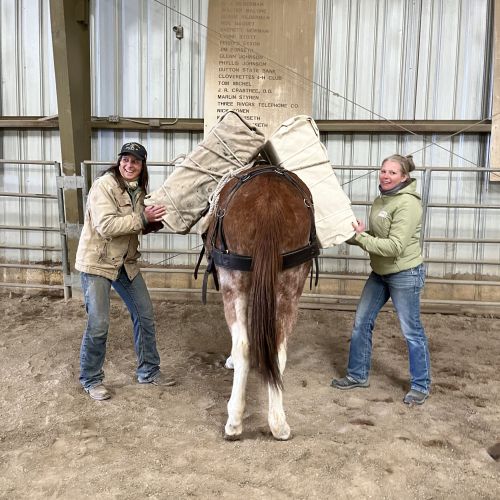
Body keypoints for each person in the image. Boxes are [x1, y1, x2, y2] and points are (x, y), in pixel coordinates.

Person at [76, 141, 175, 401]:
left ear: (142, 167)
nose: (129, 165)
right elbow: (106, 225)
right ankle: (91, 379)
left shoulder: (138, 190)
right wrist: (143, 219)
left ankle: (149, 371)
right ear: (119, 162)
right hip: (97, 262)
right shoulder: (104, 185)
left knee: (145, 315)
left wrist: (153, 222)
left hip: (125, 263)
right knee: (99, 323)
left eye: (135, 161)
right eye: (125, 160)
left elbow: (135, 223)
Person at [331, 154, 431, 405]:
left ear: (405, 177)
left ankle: (420, 385)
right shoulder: (382, 199)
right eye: (383, 170)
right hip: (380, 272)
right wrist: (347, 231)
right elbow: (375, 235)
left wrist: (362, 238)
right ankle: (357, 375)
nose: (385, 176)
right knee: (361, 322)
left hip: (404, 273)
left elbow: (394, 246)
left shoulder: (408, 204)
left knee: (411, 331)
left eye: (392, 173)